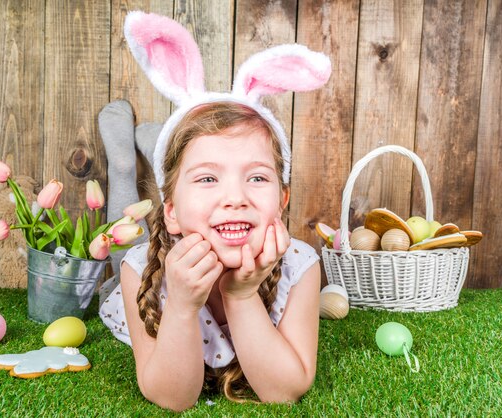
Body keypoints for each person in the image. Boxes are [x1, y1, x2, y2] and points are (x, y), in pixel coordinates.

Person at [99, 10, 331, 411]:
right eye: (208, 179)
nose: (235, 197)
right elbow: (173, 398)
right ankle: (125, 162)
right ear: (170, 212)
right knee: (122, 230)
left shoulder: (301, 266)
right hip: (151, 254)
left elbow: (284, 391)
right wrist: (183, 305)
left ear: (282, 201)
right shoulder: (139, 270)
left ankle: (164, 147)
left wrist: (240, 296)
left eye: (257, 178)